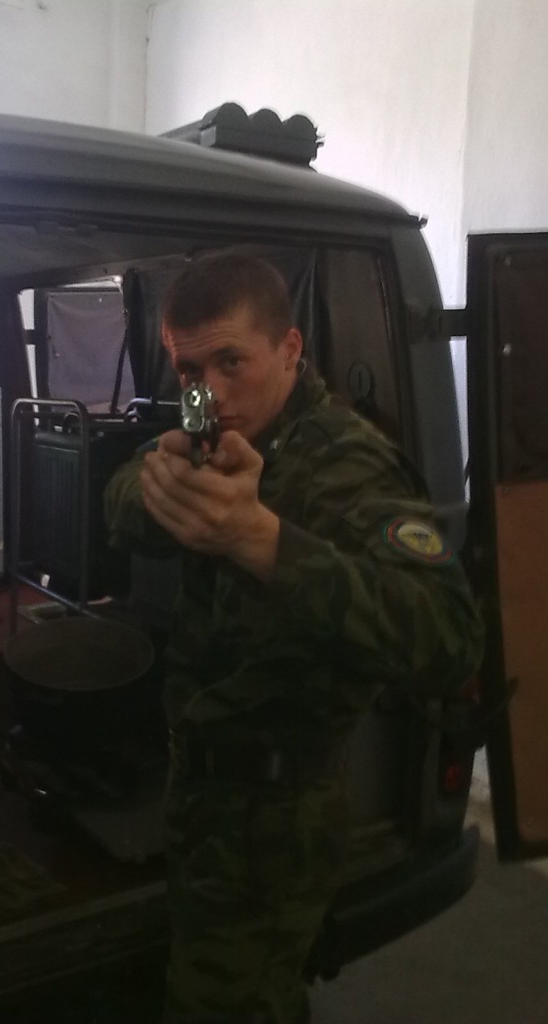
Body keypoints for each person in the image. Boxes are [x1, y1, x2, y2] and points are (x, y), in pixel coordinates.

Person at [103, 251, 484, 1024]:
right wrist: (156, 489)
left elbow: (449, 636)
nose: (209, 391)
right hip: (200, 794)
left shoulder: (350, 464)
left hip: (276, 816)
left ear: (289, 349)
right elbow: (126, 492)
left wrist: (265, 542)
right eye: (190, 370)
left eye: (231, 362)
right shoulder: (206, 422)